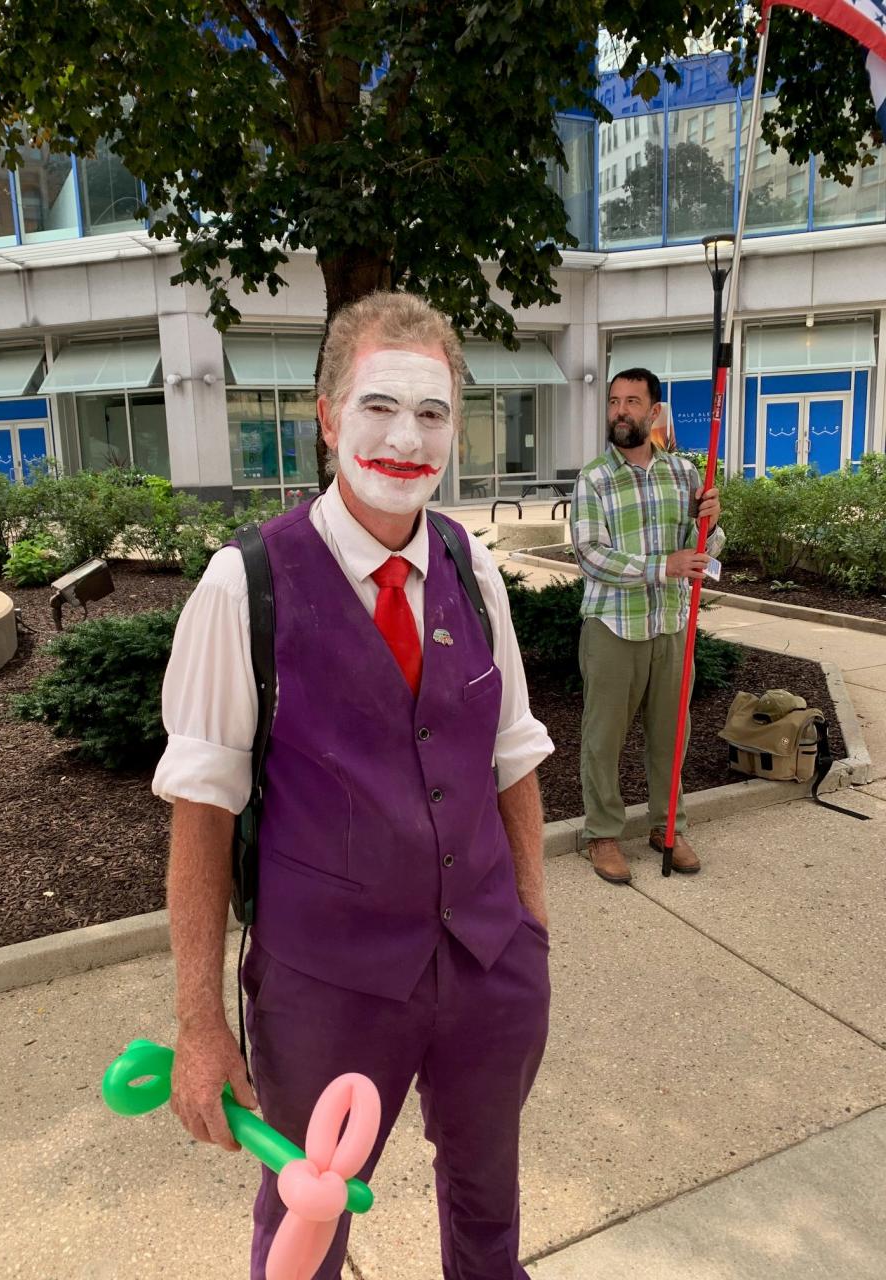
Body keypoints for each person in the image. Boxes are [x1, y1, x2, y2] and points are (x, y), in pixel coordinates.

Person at [152, 291, 554, 1280]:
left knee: (489, 1206)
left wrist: (531, 939)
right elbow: (202, 819)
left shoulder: (473, 566)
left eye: (433, 412)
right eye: (380, 406)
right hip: (325, 988)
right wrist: (200, 1022)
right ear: (327, 415)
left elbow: (514, 760)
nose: (408, 438)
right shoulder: (243, 584)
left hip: (486, 964)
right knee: (304, 1225)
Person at [569, 366, 724, 885]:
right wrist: (664, 565)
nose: (620, 411)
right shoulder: (593, 479)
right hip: (614, 628)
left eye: (632, 402)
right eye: (614, 402)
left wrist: (712, 524)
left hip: (671, 625)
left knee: (670, 737)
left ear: (653, 411)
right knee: (603, 739)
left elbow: (702, 553)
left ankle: (667, 827)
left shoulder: (684, 475)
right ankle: (603, 835)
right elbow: (591, 555)